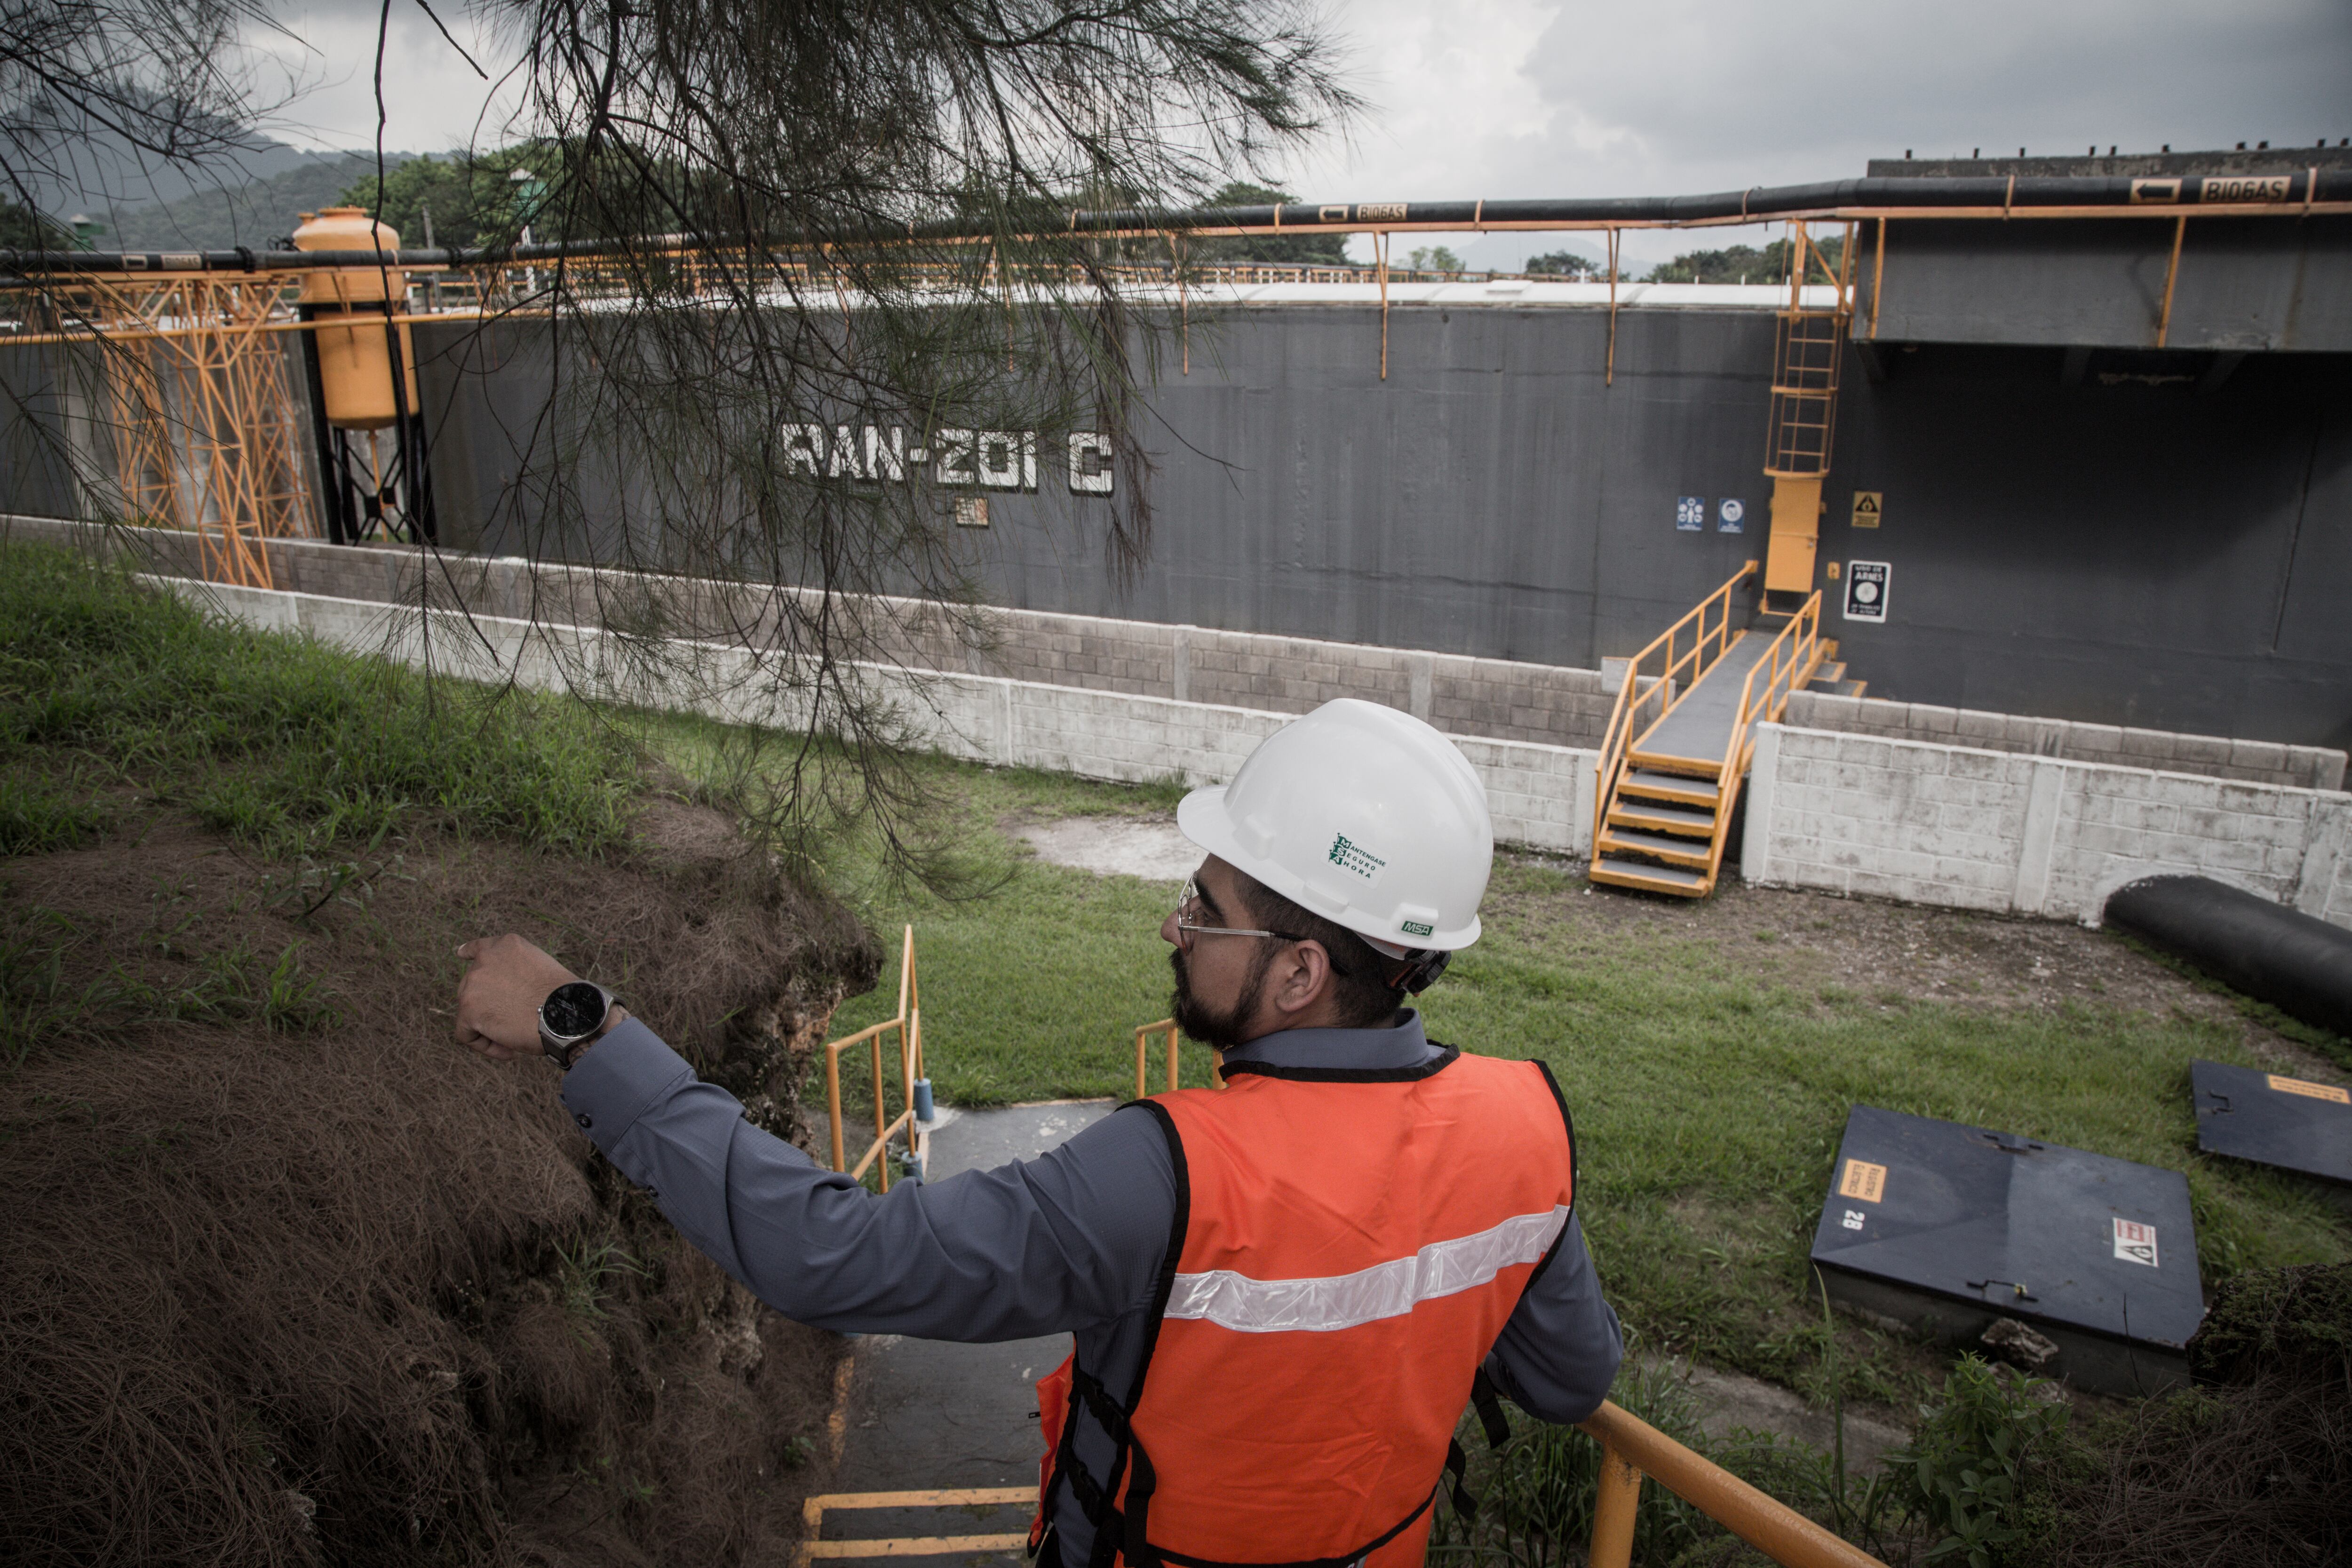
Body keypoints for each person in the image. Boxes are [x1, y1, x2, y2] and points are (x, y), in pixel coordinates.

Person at [454, 697, 1622, 1567]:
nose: (1177, 929)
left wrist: (588, 1031)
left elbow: (833, 1256)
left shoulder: (1163, 1174)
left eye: (1206, 912)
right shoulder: (1526, 1125)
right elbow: (1570, 1379)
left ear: (1301, 970)